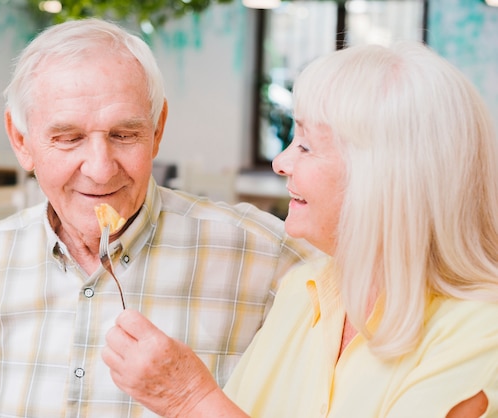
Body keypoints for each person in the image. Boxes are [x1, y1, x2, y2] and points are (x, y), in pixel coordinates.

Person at [0, 18, 313, 418]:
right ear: (21, 140)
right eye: (68, 137)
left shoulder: (265, 255)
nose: (99, 169)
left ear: (157, 129)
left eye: (124, 135)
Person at [101, 41, 498, 417]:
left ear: (383, 180)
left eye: (305, 146)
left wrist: (191, 400)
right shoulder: (304, 290)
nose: (281, 162)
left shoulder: (482, 336)